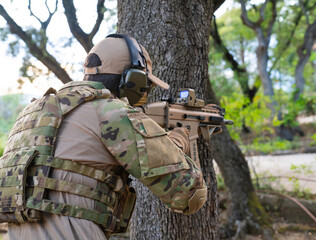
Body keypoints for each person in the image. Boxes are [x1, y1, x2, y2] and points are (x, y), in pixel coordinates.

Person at [1, 34, 207, 239]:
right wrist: (177, 140)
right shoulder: (109, 111)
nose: (146, 94)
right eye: (146, 87)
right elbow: (190, 195)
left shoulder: (31, 115)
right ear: (132, 81)